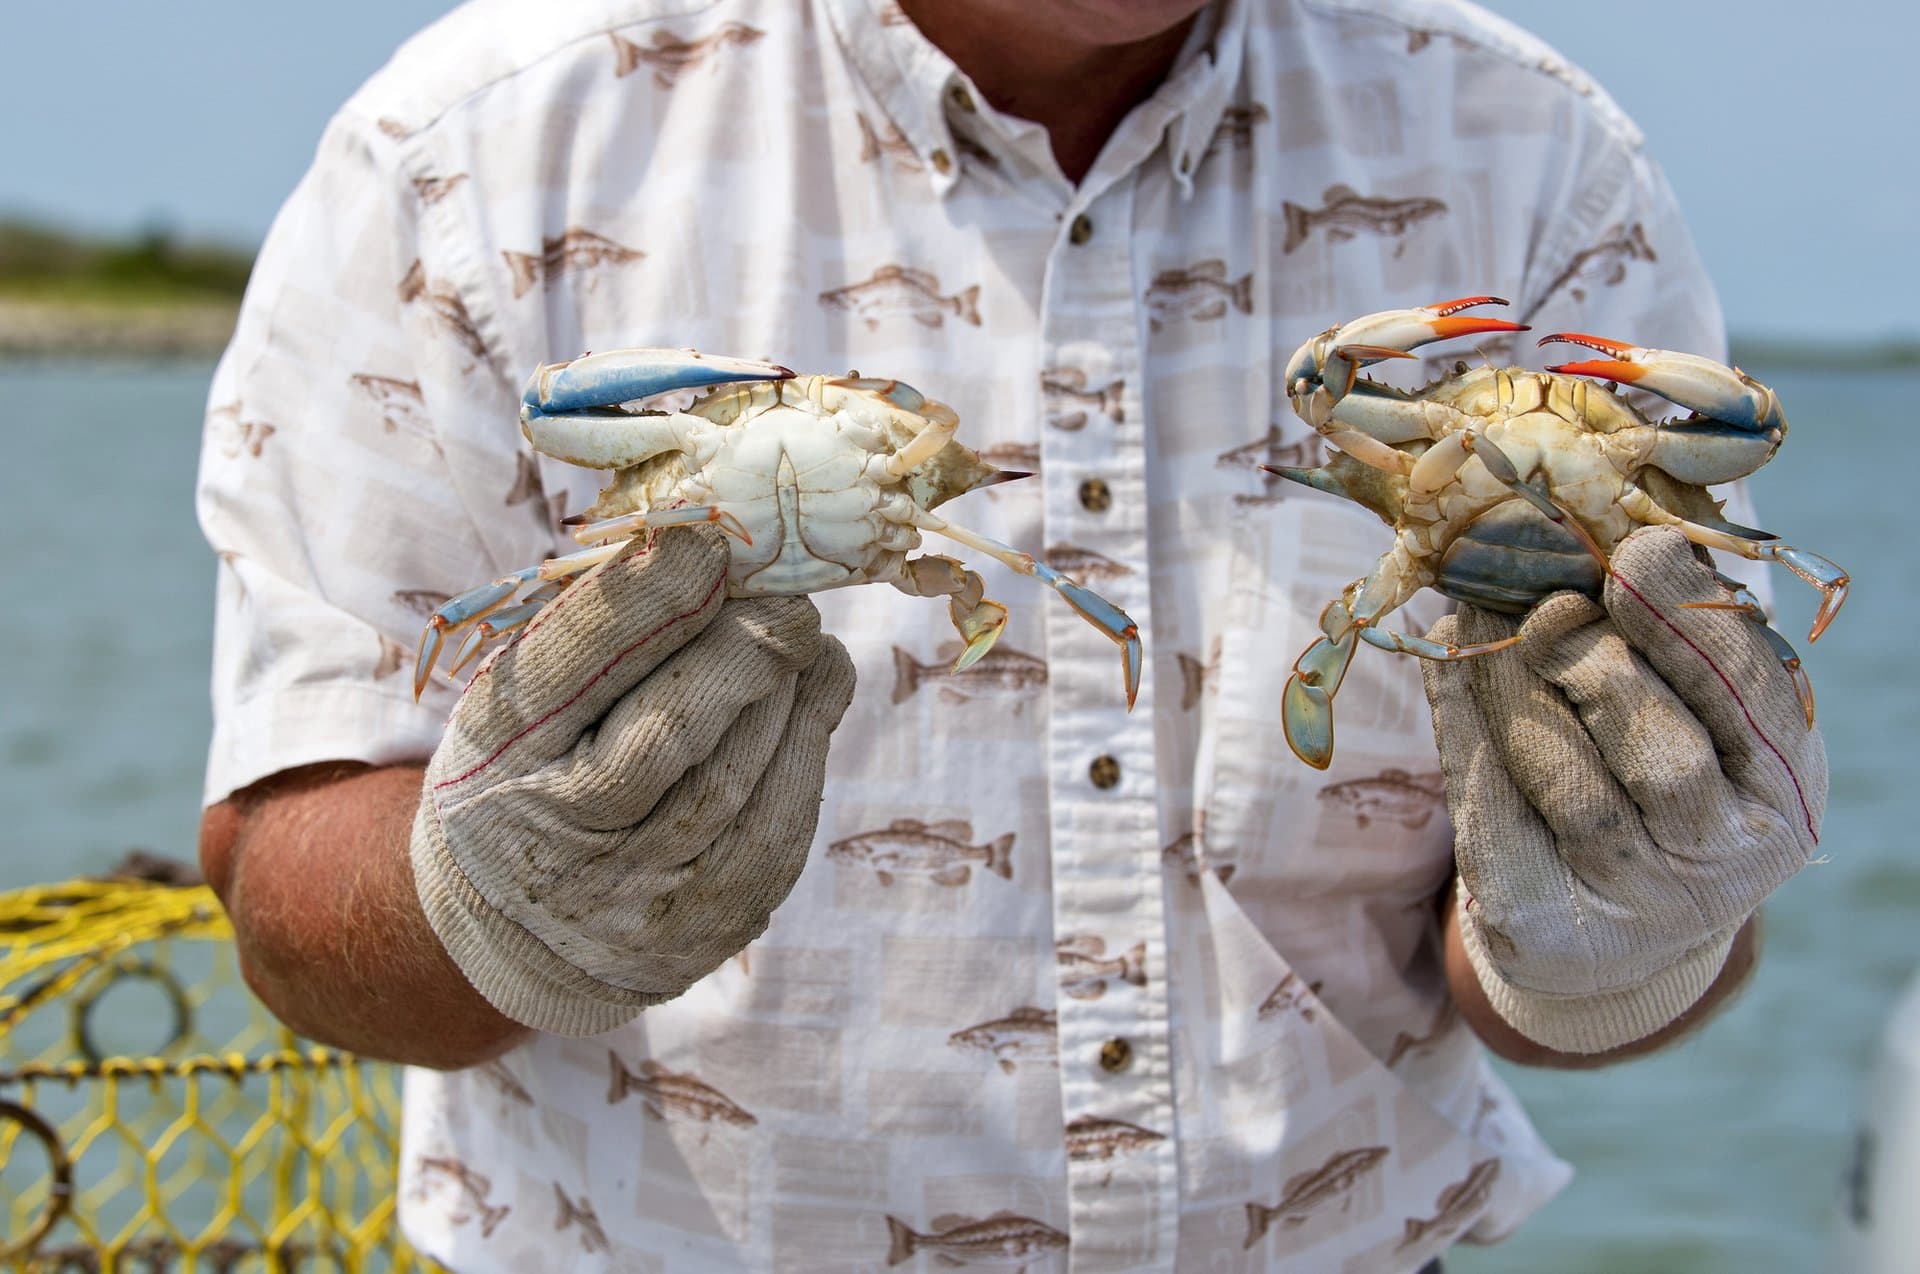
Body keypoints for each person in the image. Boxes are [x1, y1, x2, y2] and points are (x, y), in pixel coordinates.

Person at [194, 0, 1825, 1269]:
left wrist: (1638, 923)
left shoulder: (1532, 162)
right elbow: (286, 882)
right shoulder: (474, 153)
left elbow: (1607, 946)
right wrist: (493, 903)